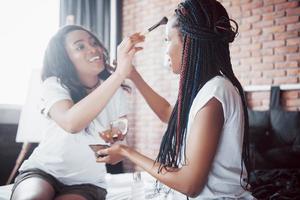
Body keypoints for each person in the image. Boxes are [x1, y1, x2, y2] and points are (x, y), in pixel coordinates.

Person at [97, 0, 255, 199]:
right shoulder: (206, 89)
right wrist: (133, 75)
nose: (166, 50)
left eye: (167, 40)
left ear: (189, 42)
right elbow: (168, 113)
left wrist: (127, 152)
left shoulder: (215, 92)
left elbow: (189, 185)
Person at [10, 25, 144, 200]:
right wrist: (119, 74)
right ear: (65, 58)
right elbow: (71, 123)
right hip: (43, 171)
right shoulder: (54, 85)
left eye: (94, 43)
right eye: (80, 47)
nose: (93, 49)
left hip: (86, 183)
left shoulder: (116, 92)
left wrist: (115, 152)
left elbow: (117, 147)